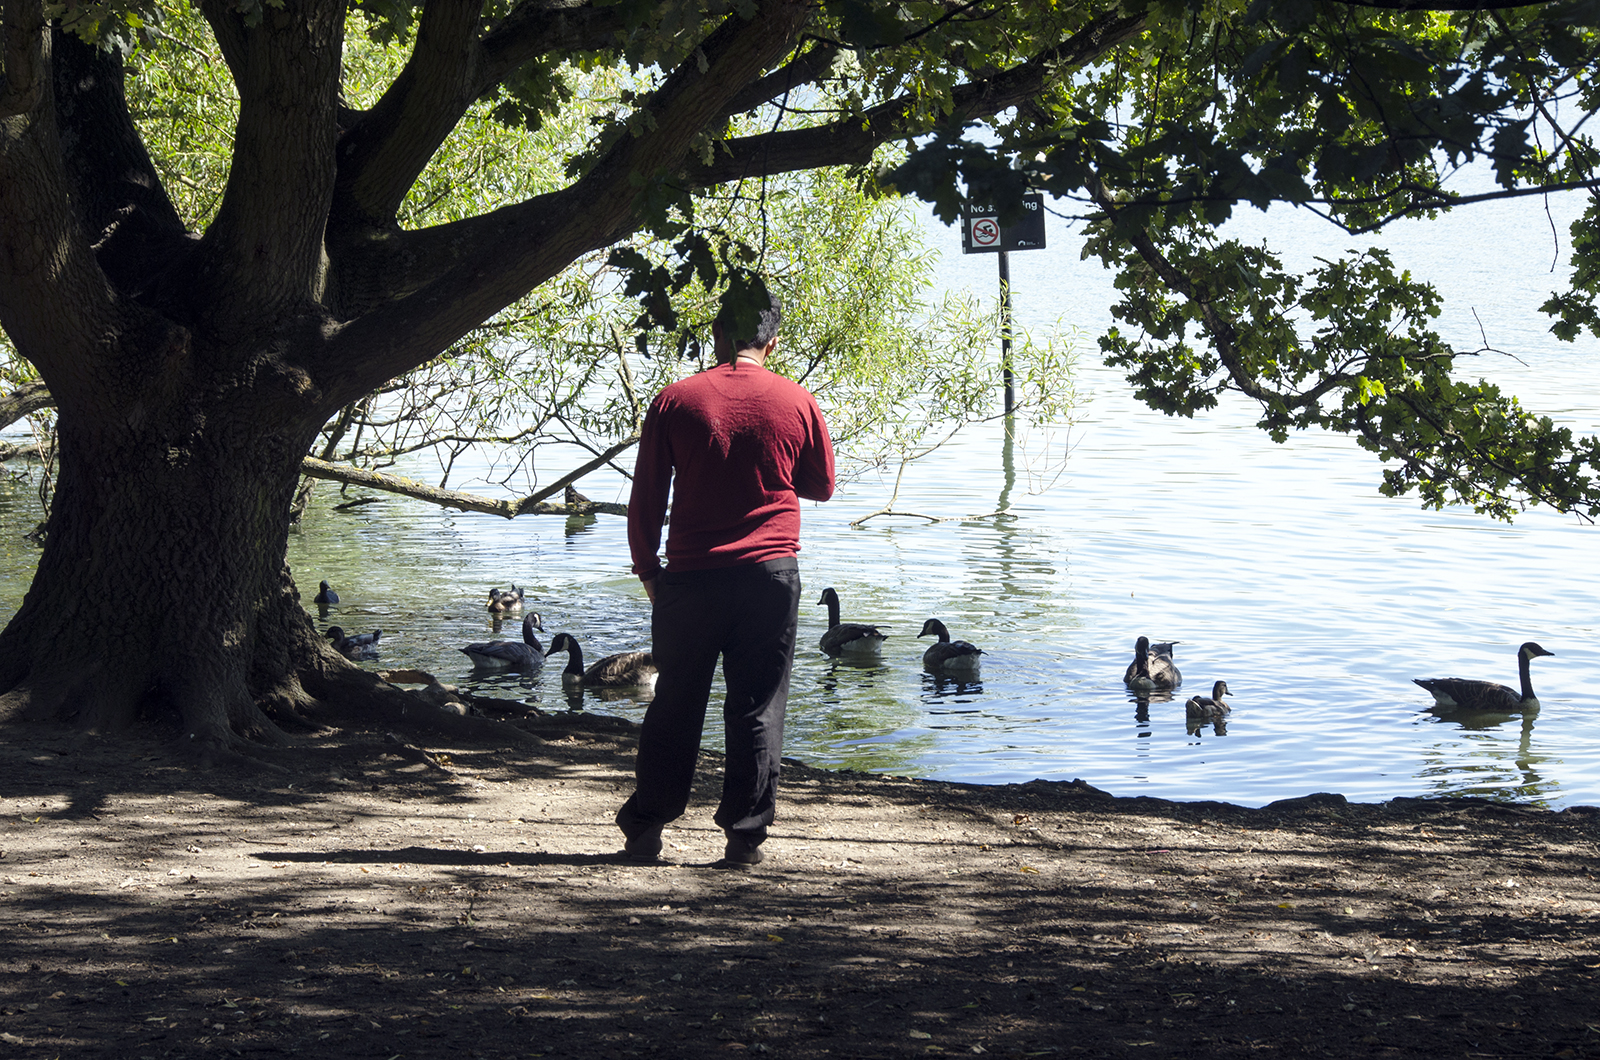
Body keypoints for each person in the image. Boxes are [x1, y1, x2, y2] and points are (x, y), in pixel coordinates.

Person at [616, 292, 835, 867]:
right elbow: (821, 485)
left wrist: (649, 572)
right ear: (773, 341)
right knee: (757, 707)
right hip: (769, 575)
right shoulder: (797, 400)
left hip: (689, 578)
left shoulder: (675, 399)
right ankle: (743, 839)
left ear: (714, 338)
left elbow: (646, 499)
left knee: (675, 703)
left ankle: (645, 831)